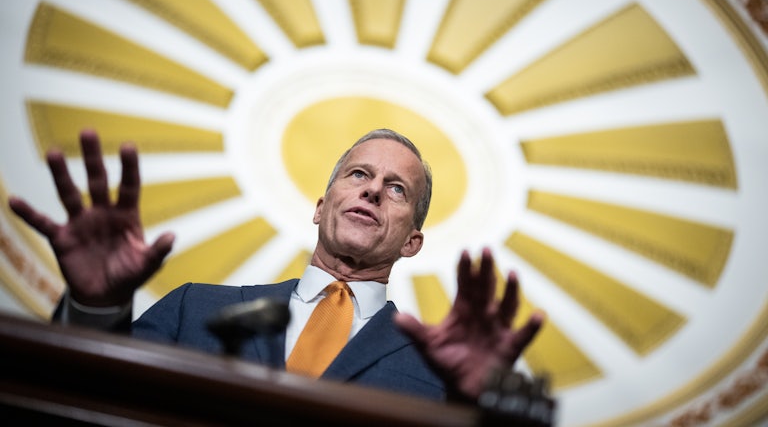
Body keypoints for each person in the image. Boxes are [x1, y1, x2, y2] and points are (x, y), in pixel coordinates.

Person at [8, 128, 544, 402]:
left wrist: (484, 402)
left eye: (396, 188)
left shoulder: (440, 370)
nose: (374, 189)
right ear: (320, 206)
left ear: (412, 242)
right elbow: (88, 400)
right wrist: (95, 305)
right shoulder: (194, 307)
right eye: (357, 175)